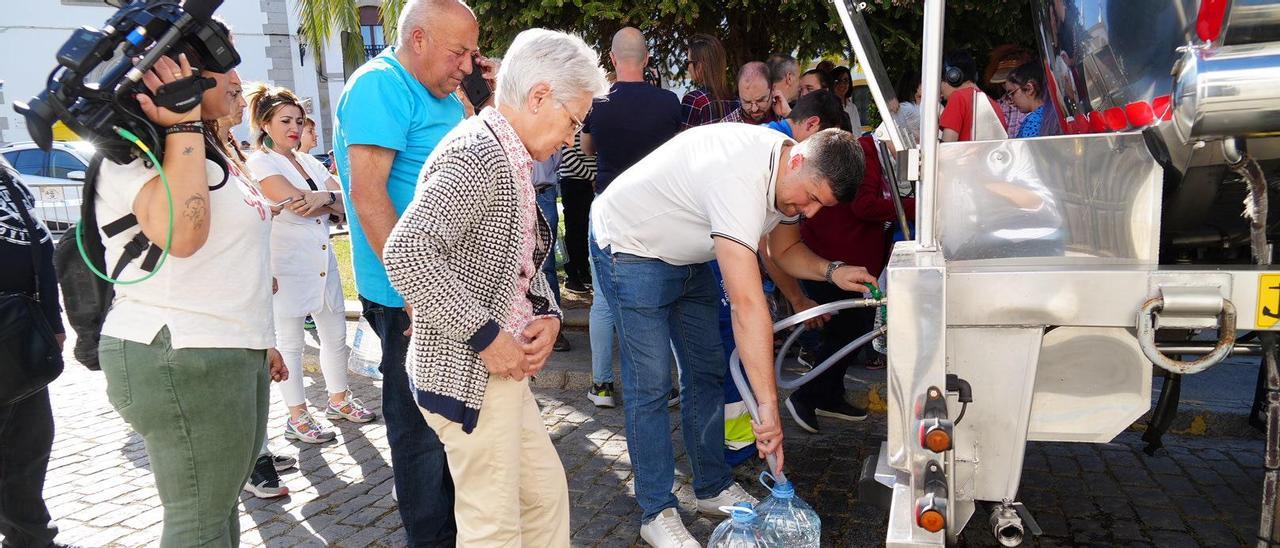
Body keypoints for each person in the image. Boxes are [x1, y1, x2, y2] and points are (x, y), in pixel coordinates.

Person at [590, 124, 877, 547]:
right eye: (813, 197)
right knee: (649, 385)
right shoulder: (739, 177)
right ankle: (657, 511)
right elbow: (747, 305)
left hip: (688, 254)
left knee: (707, 372)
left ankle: (711, 486)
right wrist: (767, 407)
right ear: (797, 159)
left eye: (821, 206)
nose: (810, 212)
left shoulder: (788, 180)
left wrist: (833, 270)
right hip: (630, 247)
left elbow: (782, 250)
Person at [383, 27, 608, 546]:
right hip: (470, 376)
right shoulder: (479, 153)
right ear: (538, 97)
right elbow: (407, 252)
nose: (573, 137)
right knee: (495, 527)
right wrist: (487, 336)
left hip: (495, 376)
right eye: (573, 119)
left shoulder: (504, 151)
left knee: (543, 498)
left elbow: (522, 254)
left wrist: (548, 314)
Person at [94, 34, 289, 546]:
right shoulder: (136, 151)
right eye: (221, 68)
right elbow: (185, 236)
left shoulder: (208, 147)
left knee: (218, 510)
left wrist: (262, 338)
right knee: (199, 520)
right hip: (179, 348)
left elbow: (228, 260)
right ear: (172, 76)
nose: (237, 81)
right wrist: (179, 121)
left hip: (227, 345)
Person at [332, 0, 495, 543]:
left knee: (455, 419)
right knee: (420, 431)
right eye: (459, 52)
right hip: (410, 296)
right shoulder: (381, 85)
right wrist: (417, 292)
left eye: (472, 52)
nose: (468, 65)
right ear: (418, 38)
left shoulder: (444, 92)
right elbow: (369, 195)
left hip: (449, 291)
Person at [246, 84, 377, 447]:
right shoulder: (260, 161)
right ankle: (297, 415)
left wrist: (326, 199)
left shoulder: (305, 161)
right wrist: (327, 203)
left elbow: (345, 199)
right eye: (285, 120)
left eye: (299, 121)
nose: (294, 128)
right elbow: (292, 201)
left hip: (322, 262)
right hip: (286, 266)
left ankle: (338, 399)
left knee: (335, 336)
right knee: (291, 343)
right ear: (265, 124)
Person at [580, 26, 682, 409]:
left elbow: (588, 149)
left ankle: (603, 385)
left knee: (604, 301)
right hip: (657, 208)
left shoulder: (598, 103)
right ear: (647, 59)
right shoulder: (669, 102)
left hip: (608, 206)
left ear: (611, 59)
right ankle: (668, 385)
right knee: (663, 294)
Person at [785, 134, 916, 432]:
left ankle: (830, 394)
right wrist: (912, 207)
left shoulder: (879, 156)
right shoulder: (867, 151)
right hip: (830, 256)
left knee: (851, 330)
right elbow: (864, 206)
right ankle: (806, 395)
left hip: (845, 259)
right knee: (845, 333)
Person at [212, 72, 297, 499]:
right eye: (233, 96)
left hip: (254, 280)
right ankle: (253, 460)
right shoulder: (207, 154)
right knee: (245, 379)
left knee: (260, 376)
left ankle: (257, 448)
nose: (241, 103)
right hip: (228, 295)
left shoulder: (233, 151)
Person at [0, 162, 64, 548]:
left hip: (20, 332)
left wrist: (53, 320)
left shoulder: (6, 171)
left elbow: (40, 249)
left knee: (29, 443)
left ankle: (30, 540)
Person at [532, 151, 572, 352]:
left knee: (546, 266)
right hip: (517, 193)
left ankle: (553, 329)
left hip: (544, 193)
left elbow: (556, 159)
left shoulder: (549, 127)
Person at [557, 133, 596, 295]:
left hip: (591, 184)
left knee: (586, 230)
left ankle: (583, 271)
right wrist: (593, 177)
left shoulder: (593, 125)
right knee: (574, 230)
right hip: (574, 183)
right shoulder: (572, 129)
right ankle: (572, 275)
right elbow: (569, 158)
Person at [940, 50, 1006, 142]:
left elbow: (947, 145)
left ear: (953, 76)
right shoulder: (993, 103)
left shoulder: (958, 98)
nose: (940, 93)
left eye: (940, 82)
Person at [680, 34, 738, 129]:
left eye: (688, 62)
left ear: (699, 66)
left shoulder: (694, 100)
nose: (688, 68)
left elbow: (684, 140)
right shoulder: (736, 100)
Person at [1008, 61, 1051, 138]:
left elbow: (1025, 149)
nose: (1010, 101)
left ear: (1029, 89)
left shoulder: (1033, 122)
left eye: (1012, 93)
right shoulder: (1050, 114)